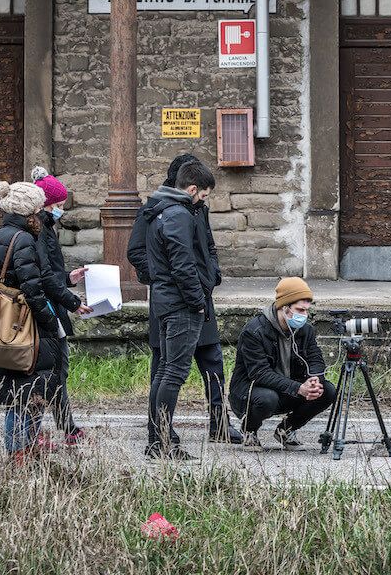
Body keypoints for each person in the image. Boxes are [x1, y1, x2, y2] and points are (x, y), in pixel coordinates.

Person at [128, 154, 241, 447]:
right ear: (187, 185)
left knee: (211, 364)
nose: (203, 198)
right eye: (201, 193)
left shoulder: (195, 209)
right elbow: (142, 253)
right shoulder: (162, 211)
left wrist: (212, 275)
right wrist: (163, 278)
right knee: (168, 369)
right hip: (179, 299)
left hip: (196, 296)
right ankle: (161, 433)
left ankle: (219, 423)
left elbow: (206, 247)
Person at [0, 181, 64, 465]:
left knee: (17, 386)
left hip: (5, 319)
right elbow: (32, 288)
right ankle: (20, 449)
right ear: (29, 210)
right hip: (25, 321)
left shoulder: (1, 233)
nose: (42, 212)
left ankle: (23, 446)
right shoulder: (24, 239)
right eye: (39, 207)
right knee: (28, 386)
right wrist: (49, 320)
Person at [144, 160, 218, 461]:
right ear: (192, 189)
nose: (203, 201)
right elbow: (183, 264)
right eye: (204, 195)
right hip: (180, 305)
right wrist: (198, 302)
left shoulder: (161, 210)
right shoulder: (179, 215)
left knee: (165, 370)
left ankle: (157, 440)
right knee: (173, 373)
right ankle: (161, 441)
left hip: (166, 301)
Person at [228, 278, 336, 451]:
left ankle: (286, 430)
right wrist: (298, 388)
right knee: (267, 399)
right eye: (300, 310)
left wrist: (314, 380)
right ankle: (249, 431)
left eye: (307, 310)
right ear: (284, 308)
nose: (304, 315)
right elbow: (260, 373)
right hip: (252, 391)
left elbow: (315, 358)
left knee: (327, 390)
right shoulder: (254, 331)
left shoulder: (305, 330)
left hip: (287, 389)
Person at [31, 167, 92, 445]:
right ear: (47, 204)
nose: (61, 211)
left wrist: (69, 278)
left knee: (55, 370)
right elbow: (45, 277)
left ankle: (66, 428)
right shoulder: (41, 232)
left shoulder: (45, 228)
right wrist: (73, 301)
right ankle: (41, 432)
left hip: (52, 304)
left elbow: (52, 274)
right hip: (48, 308)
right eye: (59, 205)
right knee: (53, 369)